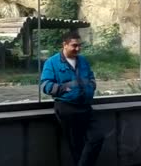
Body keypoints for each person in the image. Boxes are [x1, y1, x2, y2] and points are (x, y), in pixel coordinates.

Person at [40, 31, 104, 166]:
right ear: (65, 45)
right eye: (74, 46)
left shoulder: (83, 61)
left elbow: (91, 77)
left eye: (80, 46)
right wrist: (64, 89)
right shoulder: (52, 63)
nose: (78, 49)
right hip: (66, 108)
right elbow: (45, 85)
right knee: (76, 146)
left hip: (85, 106)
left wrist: (91, 86)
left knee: (97, 137)